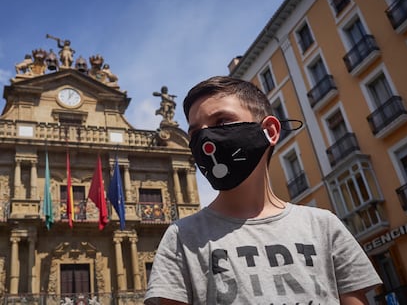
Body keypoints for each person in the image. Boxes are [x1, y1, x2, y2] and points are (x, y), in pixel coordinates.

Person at [144, 76, 382, 304]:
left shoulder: (323, 226)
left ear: (270, 131)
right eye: (195, 133)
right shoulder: (182, 238)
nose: (206, 141)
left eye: (223, 122)